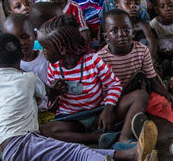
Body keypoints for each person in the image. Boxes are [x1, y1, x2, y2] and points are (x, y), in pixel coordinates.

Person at [0, 32, 155, 161]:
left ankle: (131, 154)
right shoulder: (29, 78)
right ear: (20, 56)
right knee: (80, 153)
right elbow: (48, 95)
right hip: (25, 145)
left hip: (10, 150)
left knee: (75, 152)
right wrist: (55, 90)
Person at [35, 16, 156, 153]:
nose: (43, 52)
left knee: (140, 96)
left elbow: (114, 85)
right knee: (45, 131)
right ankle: (95, 137)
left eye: (45, 48)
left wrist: (108, 109)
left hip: (100, 114)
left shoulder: (93, 61)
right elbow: (52, 104)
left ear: (62, 49)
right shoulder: (53, 68)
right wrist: (53, 93)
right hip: (74, 121)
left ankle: (124, 137)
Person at [98, 10, 173, 105]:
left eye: (126, 29)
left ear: (133, 33)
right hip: (113, 103)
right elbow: (104, 92)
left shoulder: (142, 50)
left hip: (139, 98)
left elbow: (152, 79)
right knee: (141, 96)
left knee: (170, 105)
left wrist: (167, 95)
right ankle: (133, 119)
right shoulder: (100, 59)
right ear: (106, 37)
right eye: (114, 30)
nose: (121, 34)